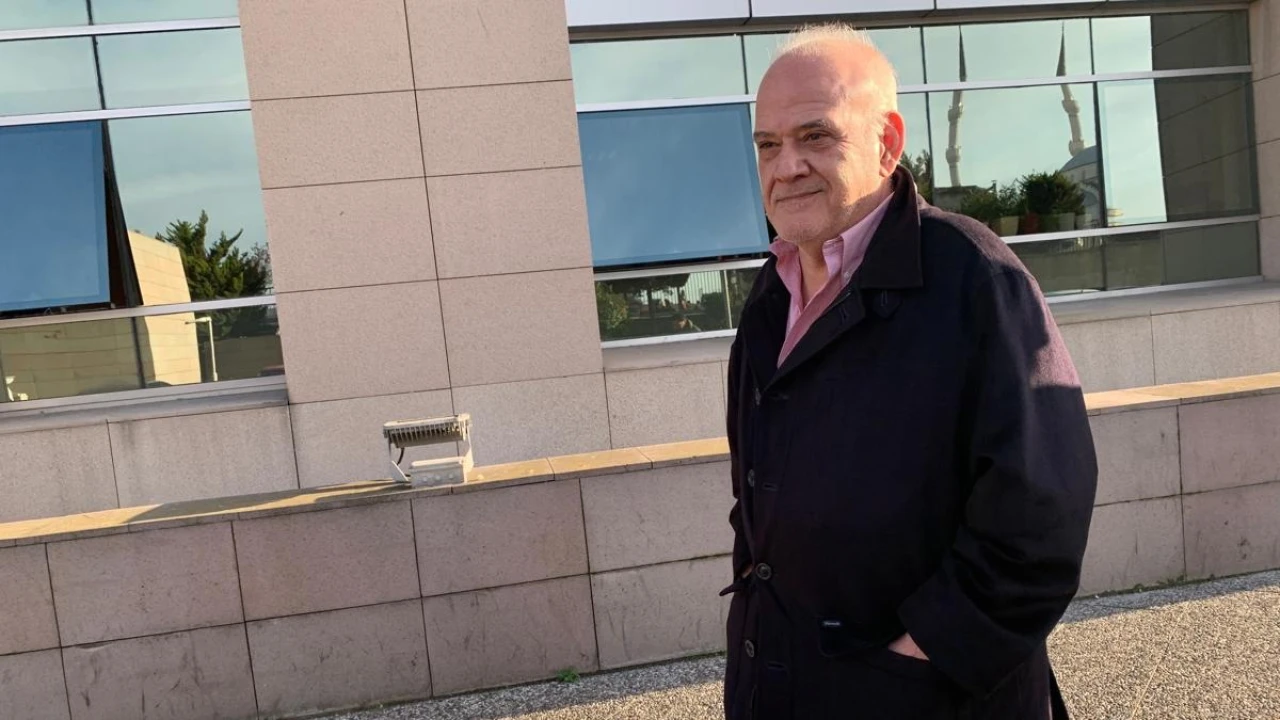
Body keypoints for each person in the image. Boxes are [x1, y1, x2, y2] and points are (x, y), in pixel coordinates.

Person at [721, 25, 1098, 720]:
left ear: (887, 143)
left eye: (815, 136)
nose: (786, 165)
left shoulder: (971, 275)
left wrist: (916, 660)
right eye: (768, 145)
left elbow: (1041, 512)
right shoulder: (770, 296)